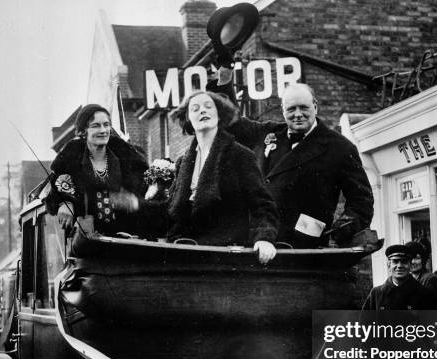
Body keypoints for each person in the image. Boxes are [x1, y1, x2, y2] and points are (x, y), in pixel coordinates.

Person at [212, 71, 374, 248]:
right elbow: (232, 124)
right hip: (259, 240)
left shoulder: (340, 147)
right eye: (291, 109)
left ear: (315, 107)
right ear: (282, 111)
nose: (298, 114)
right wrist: (225, 78)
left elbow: (361, 199)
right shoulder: (268, 132)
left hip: (302, 246)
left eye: (304, 108)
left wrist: (346, 226)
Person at [167, 90, 278, 264]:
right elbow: (171, 210)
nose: (202, 111)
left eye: (208, 106)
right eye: (195, 109)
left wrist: (264, 238)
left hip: (224, 255)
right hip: (186, 251)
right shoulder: (183, 162)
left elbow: (262, 205)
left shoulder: (240, 155)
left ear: (220, 115)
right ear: (188, 119)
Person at [44, 104, 149, 235]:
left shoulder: (126, 157)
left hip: (126, 240)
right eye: (96, 126)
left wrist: (133, 200)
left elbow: (145, 189)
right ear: (83, 131)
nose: (103, 130)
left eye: (106, 125)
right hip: (86, 243)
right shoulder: (70, 159)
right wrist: (64, 203)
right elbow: (54, 192)